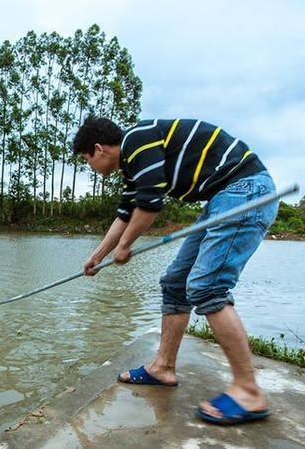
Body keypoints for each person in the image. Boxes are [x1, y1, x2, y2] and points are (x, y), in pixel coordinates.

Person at [72, 116, 278, 425]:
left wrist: (124, 247)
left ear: (98, 149)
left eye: (87, 161)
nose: (92, 168)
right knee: (175, 283)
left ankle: (249, 391)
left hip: (244, 191)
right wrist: (98, 256)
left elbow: (151, 205)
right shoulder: (132, 165)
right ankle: (163, 368)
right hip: (222, 198)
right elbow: (127, 213)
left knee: (208, 287)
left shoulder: (138, 139)